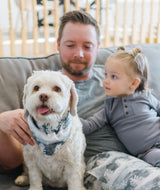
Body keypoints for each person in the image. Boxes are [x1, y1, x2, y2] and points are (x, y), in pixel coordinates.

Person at [0, 10, 125, 171]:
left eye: (87, 46)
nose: (78, 54)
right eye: (70, 45)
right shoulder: (39, 91)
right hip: (92, 168)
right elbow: (14, 160)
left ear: (98, 47)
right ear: (58, 44)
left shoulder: (119, 79)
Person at [81, 46, 160, 167]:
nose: (106, 81)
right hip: (147, 152)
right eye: (106, 75)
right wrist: (67, 118)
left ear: (133, 83)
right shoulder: (110, 107)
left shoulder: (144, 96)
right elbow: (89, 125)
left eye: (113, 77)